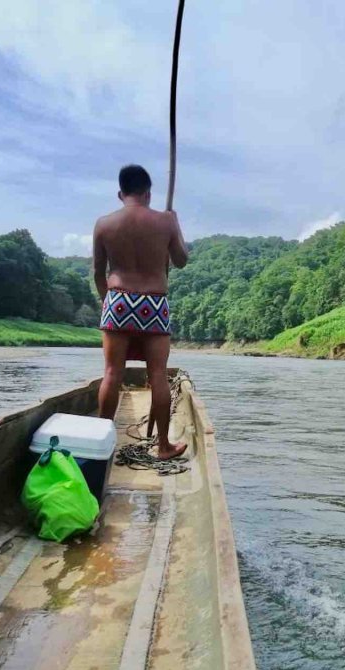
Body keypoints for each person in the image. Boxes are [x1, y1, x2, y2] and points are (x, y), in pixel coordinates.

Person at [93, 164, 189, 460]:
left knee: (111, 373)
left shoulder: (104, 224)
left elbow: (98, 272)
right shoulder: (165, 221)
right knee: (158, 374)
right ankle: (163, 446)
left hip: (117, 299)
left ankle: (100, 444)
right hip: (153, 301)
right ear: (149, 193)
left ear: (120, 193)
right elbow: (182, 260)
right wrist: (175, 223)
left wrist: (106, 302)